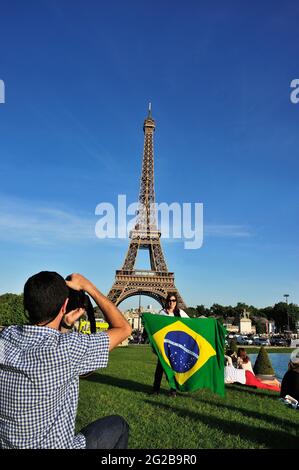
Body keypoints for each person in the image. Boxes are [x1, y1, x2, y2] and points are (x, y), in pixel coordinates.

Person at [0, 271, 132, 449]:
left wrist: (65, 326)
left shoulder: (6, 337)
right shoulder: (68, 349)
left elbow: (46, 342)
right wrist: (88, 286)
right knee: (119, 425)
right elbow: (123, 328)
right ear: (64, 306)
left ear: (27, 306)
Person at [151, 292, 189, 396]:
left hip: (175, 346)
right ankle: (155, 390)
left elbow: (191, 324)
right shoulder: (162, 313)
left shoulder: (180, 313)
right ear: (166, 301)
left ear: (176, 302)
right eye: (169, 300)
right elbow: (156, 327)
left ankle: (173, 391)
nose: (171, 302)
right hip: (164, 346)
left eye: (173, 300)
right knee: (159, 369)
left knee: (173, 370)